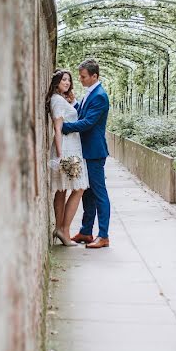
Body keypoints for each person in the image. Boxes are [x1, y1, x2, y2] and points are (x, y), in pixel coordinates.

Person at [61, 59, 112, 249]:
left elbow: (88, 122)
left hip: (94, 151)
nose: (80, 80)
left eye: (83, 77)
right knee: (87, 193)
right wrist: (72, 103)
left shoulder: (99, 96)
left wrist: (63, 127)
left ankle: (104, 235)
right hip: (86, 150)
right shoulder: (90, 93)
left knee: (99, 194)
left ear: (94, 76)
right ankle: (86, 231)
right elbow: (81, 114)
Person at [46, 70, 88, 246]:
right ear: (56, 82)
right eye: (64, 79)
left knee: (63, 189)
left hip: (71, 149)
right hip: (67, 151)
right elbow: (57, 129)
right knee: (79, 188)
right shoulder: (56, 100)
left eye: (69, 80)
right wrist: (61, 155)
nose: (67, 82)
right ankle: (64, 230)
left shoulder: (62, 99)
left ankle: (61, 230)